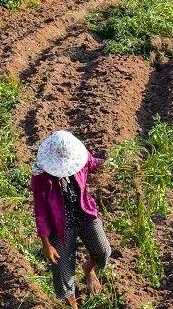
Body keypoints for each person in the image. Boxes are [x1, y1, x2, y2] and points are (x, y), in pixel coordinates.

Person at [31, 131, 111, 307]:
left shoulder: (80, 158)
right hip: (60, 225)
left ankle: (88, 270)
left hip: (84, 214)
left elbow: (94, 163)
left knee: (103, 252)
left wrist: (114, 165)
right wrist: (46, 244)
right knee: (62, 273)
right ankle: (73, 306)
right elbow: (41, 212)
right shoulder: (41, 177)